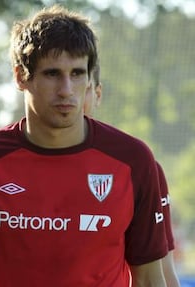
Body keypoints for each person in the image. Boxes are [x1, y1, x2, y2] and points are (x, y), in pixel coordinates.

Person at [0, 4, 168, 287]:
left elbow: (149, 279)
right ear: (20, 76)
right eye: (52, 74)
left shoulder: (132, 160)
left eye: (77, 73)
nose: (66, 90)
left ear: (89, 77)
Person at [84, 64, 181, 287]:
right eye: (53, 75)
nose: (71, 94)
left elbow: (164, 273)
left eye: (84, 86)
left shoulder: (138, 167)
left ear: (98, 95)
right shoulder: (4, 163)